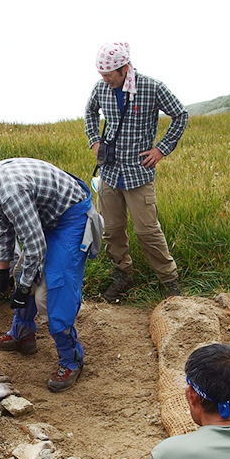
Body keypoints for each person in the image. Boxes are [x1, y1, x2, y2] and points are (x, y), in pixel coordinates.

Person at [0, 157, 103, 392]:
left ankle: (71, 359)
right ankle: (22, 334)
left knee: (52, 291)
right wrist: (3, 271)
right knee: (20, 271)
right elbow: (5, 229)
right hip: (45, 218)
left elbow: (36, 247)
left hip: (70, 218)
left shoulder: (10, 192)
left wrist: (24, 289)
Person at [85, 42, 188, 302]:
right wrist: (94, 141)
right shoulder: (101, 88)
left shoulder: (152, 87)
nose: (105, 81)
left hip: (139, 174)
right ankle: (123, 273)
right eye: (102, 76)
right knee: (112, 229)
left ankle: (168, 279)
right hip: (109, 174)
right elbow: (89, 112)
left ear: (124, 69)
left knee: (147, 230)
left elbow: (180, 114)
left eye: (109, 76)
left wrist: (161, 149)